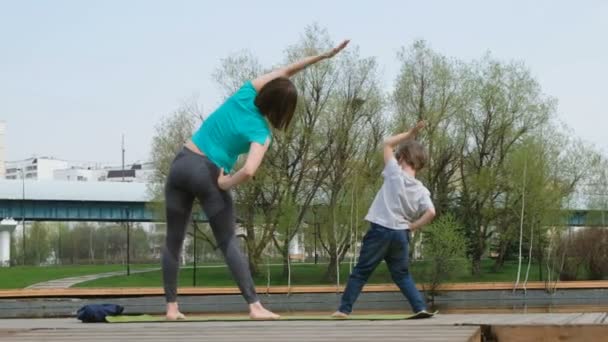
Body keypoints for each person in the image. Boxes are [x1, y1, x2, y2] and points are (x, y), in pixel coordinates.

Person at [162, 39, 350, 320]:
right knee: (227, 242)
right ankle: (254, 306)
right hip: (209, 173)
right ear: (282, 110)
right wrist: (225, 183)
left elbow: (287, 70)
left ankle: (171, 308)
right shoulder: (261, 133)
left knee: (173, 241)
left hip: (181, 163)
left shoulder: (246, 91)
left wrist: (323, 56)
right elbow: (249, 170)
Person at [332, 121, 436, 319]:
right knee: (402, 275)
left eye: (398, 158)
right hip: (401, 235)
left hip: (380, 231)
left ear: (402, 158)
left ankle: (343, 310)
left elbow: (387, 143)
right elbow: (431, 212)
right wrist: (412, 226)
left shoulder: (394, 173)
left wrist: (410, 133)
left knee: (361, 271)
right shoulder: (422, 190)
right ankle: (419, 308)